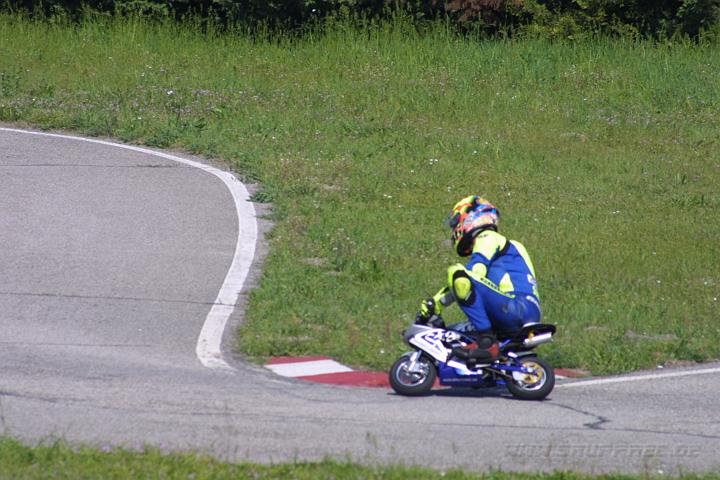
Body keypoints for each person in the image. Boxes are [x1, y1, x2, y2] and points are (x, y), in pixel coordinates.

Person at [417, 196, 541, 366]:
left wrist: (434, 303)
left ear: (470, 217)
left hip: (515, 307)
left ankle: (486, 342)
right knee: (457, 331)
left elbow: (472, 275)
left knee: (457, 273)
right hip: (523, 309)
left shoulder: (488, 237)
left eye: (456, 222)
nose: (454, 230)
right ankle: (487, 356)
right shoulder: (510, 246)